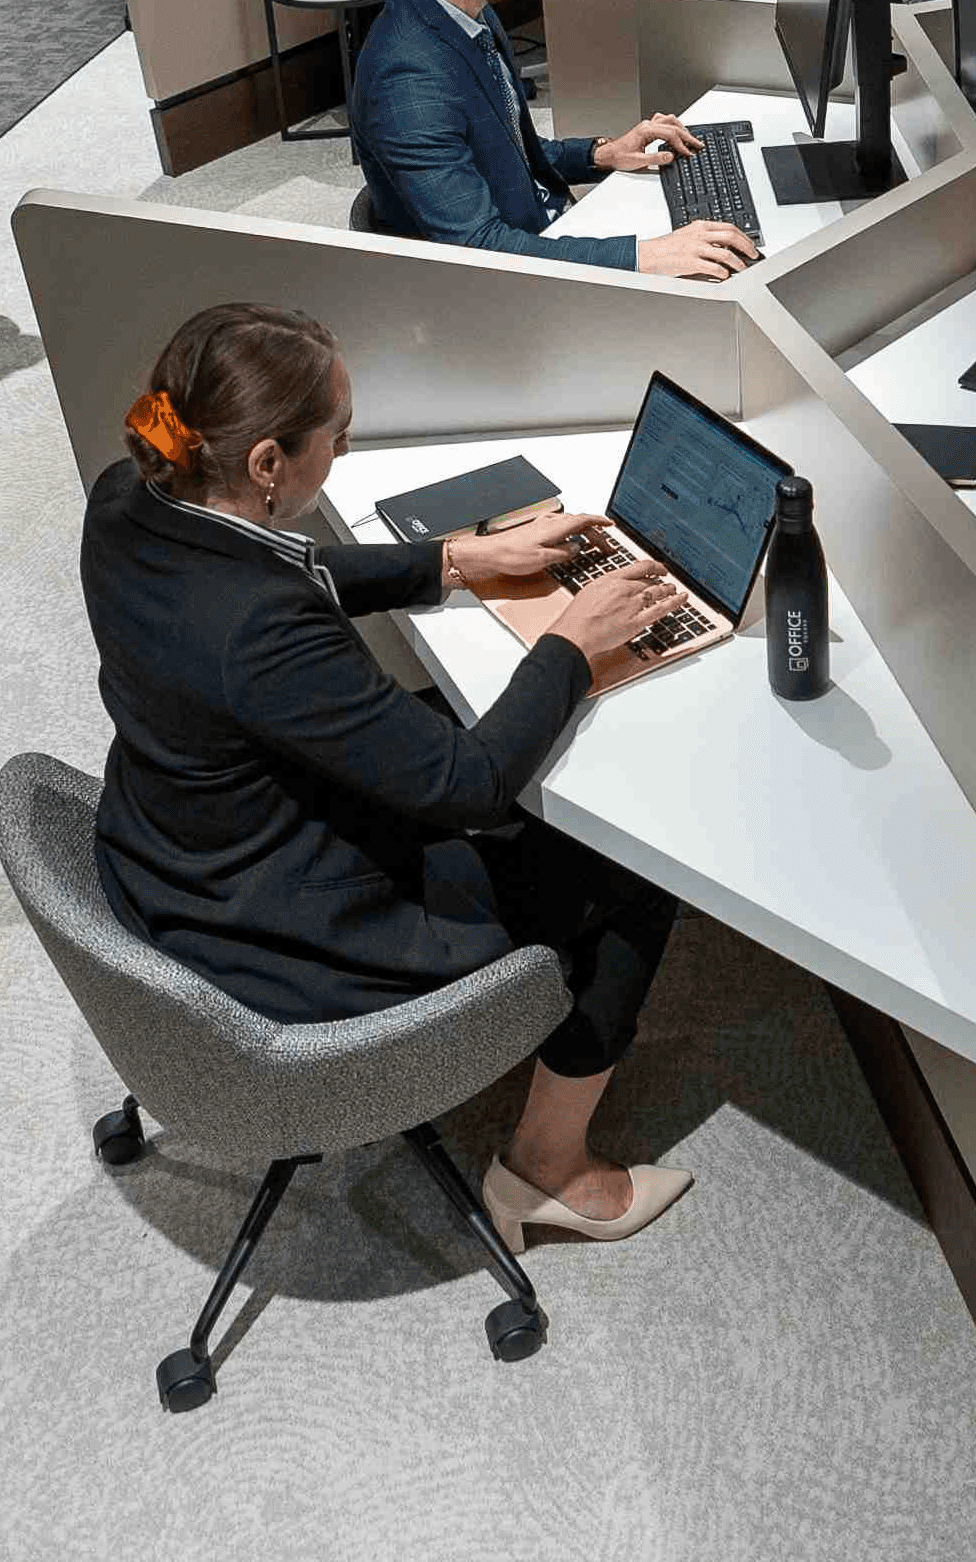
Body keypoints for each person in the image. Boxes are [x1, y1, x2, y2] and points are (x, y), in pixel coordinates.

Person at [84, 302, 695, 1249]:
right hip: (285, 924)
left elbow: (280, 573)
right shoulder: (257, 633)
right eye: (338, 433)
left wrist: (453, 560)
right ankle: (550, 1171)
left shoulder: (125, 499)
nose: (345, 445)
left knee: (446, 720)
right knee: (626, 872)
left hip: (168, 845)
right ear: (266, 464)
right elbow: (467, 787)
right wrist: (575, 646)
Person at [349, 0, 756, 279]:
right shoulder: (407, 83)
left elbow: (503, 149)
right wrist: (645, 256)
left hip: (538, 230)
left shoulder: (466, 9)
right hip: (511, 281)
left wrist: (602, 153)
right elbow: (480, 248)